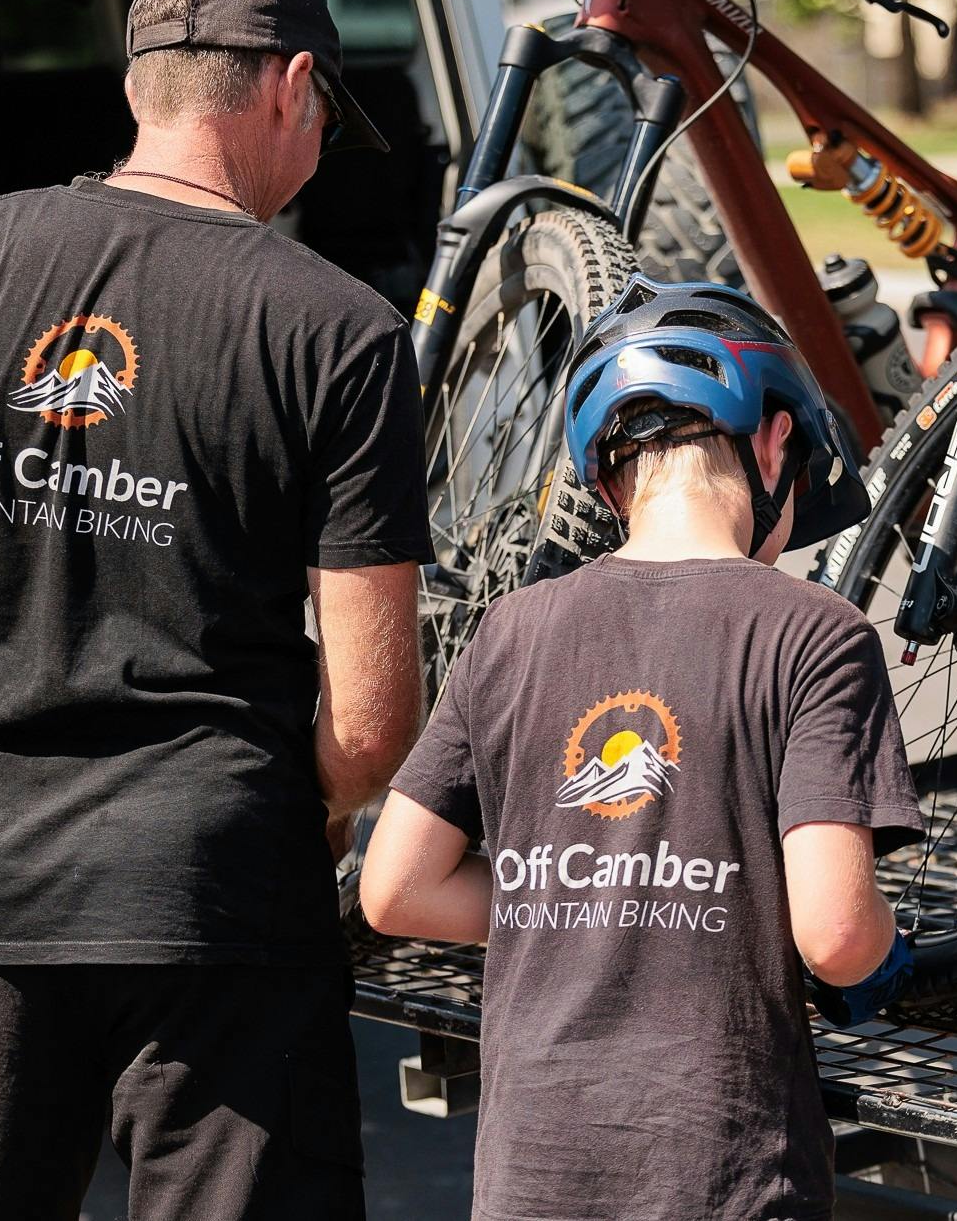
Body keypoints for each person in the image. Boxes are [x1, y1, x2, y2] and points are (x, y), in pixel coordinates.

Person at [0, 0, 428, 1220]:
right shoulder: (340, 331)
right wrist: (314, 815)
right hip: (217, 904)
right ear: (292, 87)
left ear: (144, 88)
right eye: (324, 121)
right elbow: (366, 724)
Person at [361, 276, 922, 1221]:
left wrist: (586, 903)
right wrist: (889, 958)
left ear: (612, 479)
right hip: (717, 1174)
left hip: (529, 1171)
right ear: (775, 438)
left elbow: (393, 889)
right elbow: (834, 934)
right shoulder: (814, 634)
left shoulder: (510, 629)